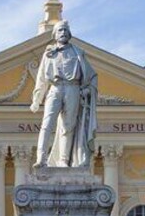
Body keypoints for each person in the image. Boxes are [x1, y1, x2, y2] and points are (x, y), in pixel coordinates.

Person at [30, 20, 98, 168]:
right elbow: (41, 78)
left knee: (68, 126)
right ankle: (41, 159)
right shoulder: (49, 54)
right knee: (47, 124)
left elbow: (91, 76)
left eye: (66, 30)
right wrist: (37, 99)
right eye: (60, 30)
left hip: (72, 88)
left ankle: (63, 160)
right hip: (55, 88)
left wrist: (87, 90)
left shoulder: (77, 53)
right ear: (55, 34)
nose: (63, 33)